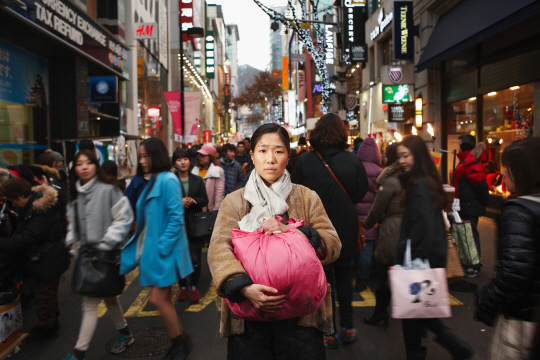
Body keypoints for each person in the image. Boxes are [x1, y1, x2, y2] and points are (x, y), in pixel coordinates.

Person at [208, 123, 341, 359]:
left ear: (288, 156)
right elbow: (219, 248)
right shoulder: (235, 201)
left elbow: (332, 245)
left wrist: (292, 232)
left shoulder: (306, 197)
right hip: (249, 321)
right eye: (263, 151)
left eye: (278, 151)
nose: (270, 159)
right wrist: (244, 288)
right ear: (252, 155)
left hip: (302, 321)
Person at [292, 113, 368, 348]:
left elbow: (295, 193)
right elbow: (360, 191)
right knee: (345, 279)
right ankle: (348, 327)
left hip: (315, 230)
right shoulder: (352, 160)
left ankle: (328, 331)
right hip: (345, 227)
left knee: (323, 282)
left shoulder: (305, 161)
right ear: (342, 134)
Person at [396, 136, 472, 360]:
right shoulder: (424, 180)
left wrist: (415, 263)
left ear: (417, 156)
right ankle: (443, 346)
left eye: (406, 156)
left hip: (417, 260)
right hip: (421, 259)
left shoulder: (419, 183)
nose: (402, 161)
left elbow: (423, 225)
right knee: (417, 310)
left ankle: (450, 346)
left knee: (413, 311)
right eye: (399, 156)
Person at [120, 138, 194, 360]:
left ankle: (179, 342)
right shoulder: (154, 179)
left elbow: (175, 217)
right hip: (156, 251)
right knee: (162, 298)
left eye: (145, 156)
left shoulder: (167, 180)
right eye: (140, 156)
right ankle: (179, 340)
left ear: (156, 155)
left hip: (165, 252)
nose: (142, 161)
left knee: (157, 299)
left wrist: (162, 246)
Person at [64, 150, 134, 360]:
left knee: (90, 304)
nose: (84, 167)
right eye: (79, 164)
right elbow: (72, 225)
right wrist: (72, 244)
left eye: (88, 163)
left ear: (96, 166)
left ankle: (79, 352)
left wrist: (107, 241)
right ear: (74, 169)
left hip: (106, 255)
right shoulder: (74, 195)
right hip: (87, 256)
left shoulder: (108, 190)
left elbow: (124, 217)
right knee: (110, 297)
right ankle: (125, 333)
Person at [476, 137, 540, 359]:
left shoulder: (518, 210)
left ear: (523, 172)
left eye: (508, 169)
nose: (504, 174)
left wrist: (486, 299)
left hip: (522, 319)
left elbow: (515, 271)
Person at [0, 178, 70, 343]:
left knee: (43, 294)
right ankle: (51, 320)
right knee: (48, 293)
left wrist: (3, 243)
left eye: (13, 200)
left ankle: (47, 328)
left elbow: (28, 237)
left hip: (48, 258)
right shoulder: (36, 203)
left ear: (20, 195)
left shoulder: (40, 209)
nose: (14, 205)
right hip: (50, 256)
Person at [362, 143, 402, 327]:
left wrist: (367, 225)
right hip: (414, 231)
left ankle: (380, 313)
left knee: (388, 274)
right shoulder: (419, 177)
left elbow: (378, 209)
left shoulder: (391, 179)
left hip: (394, 231)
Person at [172, 148, 209, 303]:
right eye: (179, 159)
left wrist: (193, 201)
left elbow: (205, 200)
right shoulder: (170, 180)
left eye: (186, 159)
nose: (183, 162)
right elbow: (165, 202)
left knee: (196, 258)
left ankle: (193, 286)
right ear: (174, 163)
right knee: (178, 257)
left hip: (195, 224)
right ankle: (182, 287)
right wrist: (180, 202)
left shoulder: (197, 180)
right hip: (176, 225)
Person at [453, 134, 489, 277]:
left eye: (459, 143)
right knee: (467, 234)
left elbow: (480, 186)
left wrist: (482, 203)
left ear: (464, 145)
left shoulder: (470, 162)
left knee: (471, 235)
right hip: (466, 204)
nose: (457, 146)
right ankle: (470, 262)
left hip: (469, 205)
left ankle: (474, 265)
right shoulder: (466, 160)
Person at [355, 137, 383, 293]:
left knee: (355, 245)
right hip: (370, 216)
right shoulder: (380, 172)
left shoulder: (355, 167)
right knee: (367, 247)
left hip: (354, 215)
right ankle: (362, 279)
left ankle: (352, 274)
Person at [191, 145, 225, 212]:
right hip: (195, 210)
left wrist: (216, 211)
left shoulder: (218, 171)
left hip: (210, 211)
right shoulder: (194, 170)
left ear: (210, 157)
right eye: (199, 155)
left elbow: (219, 194)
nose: (200, 157)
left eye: (203, 155)